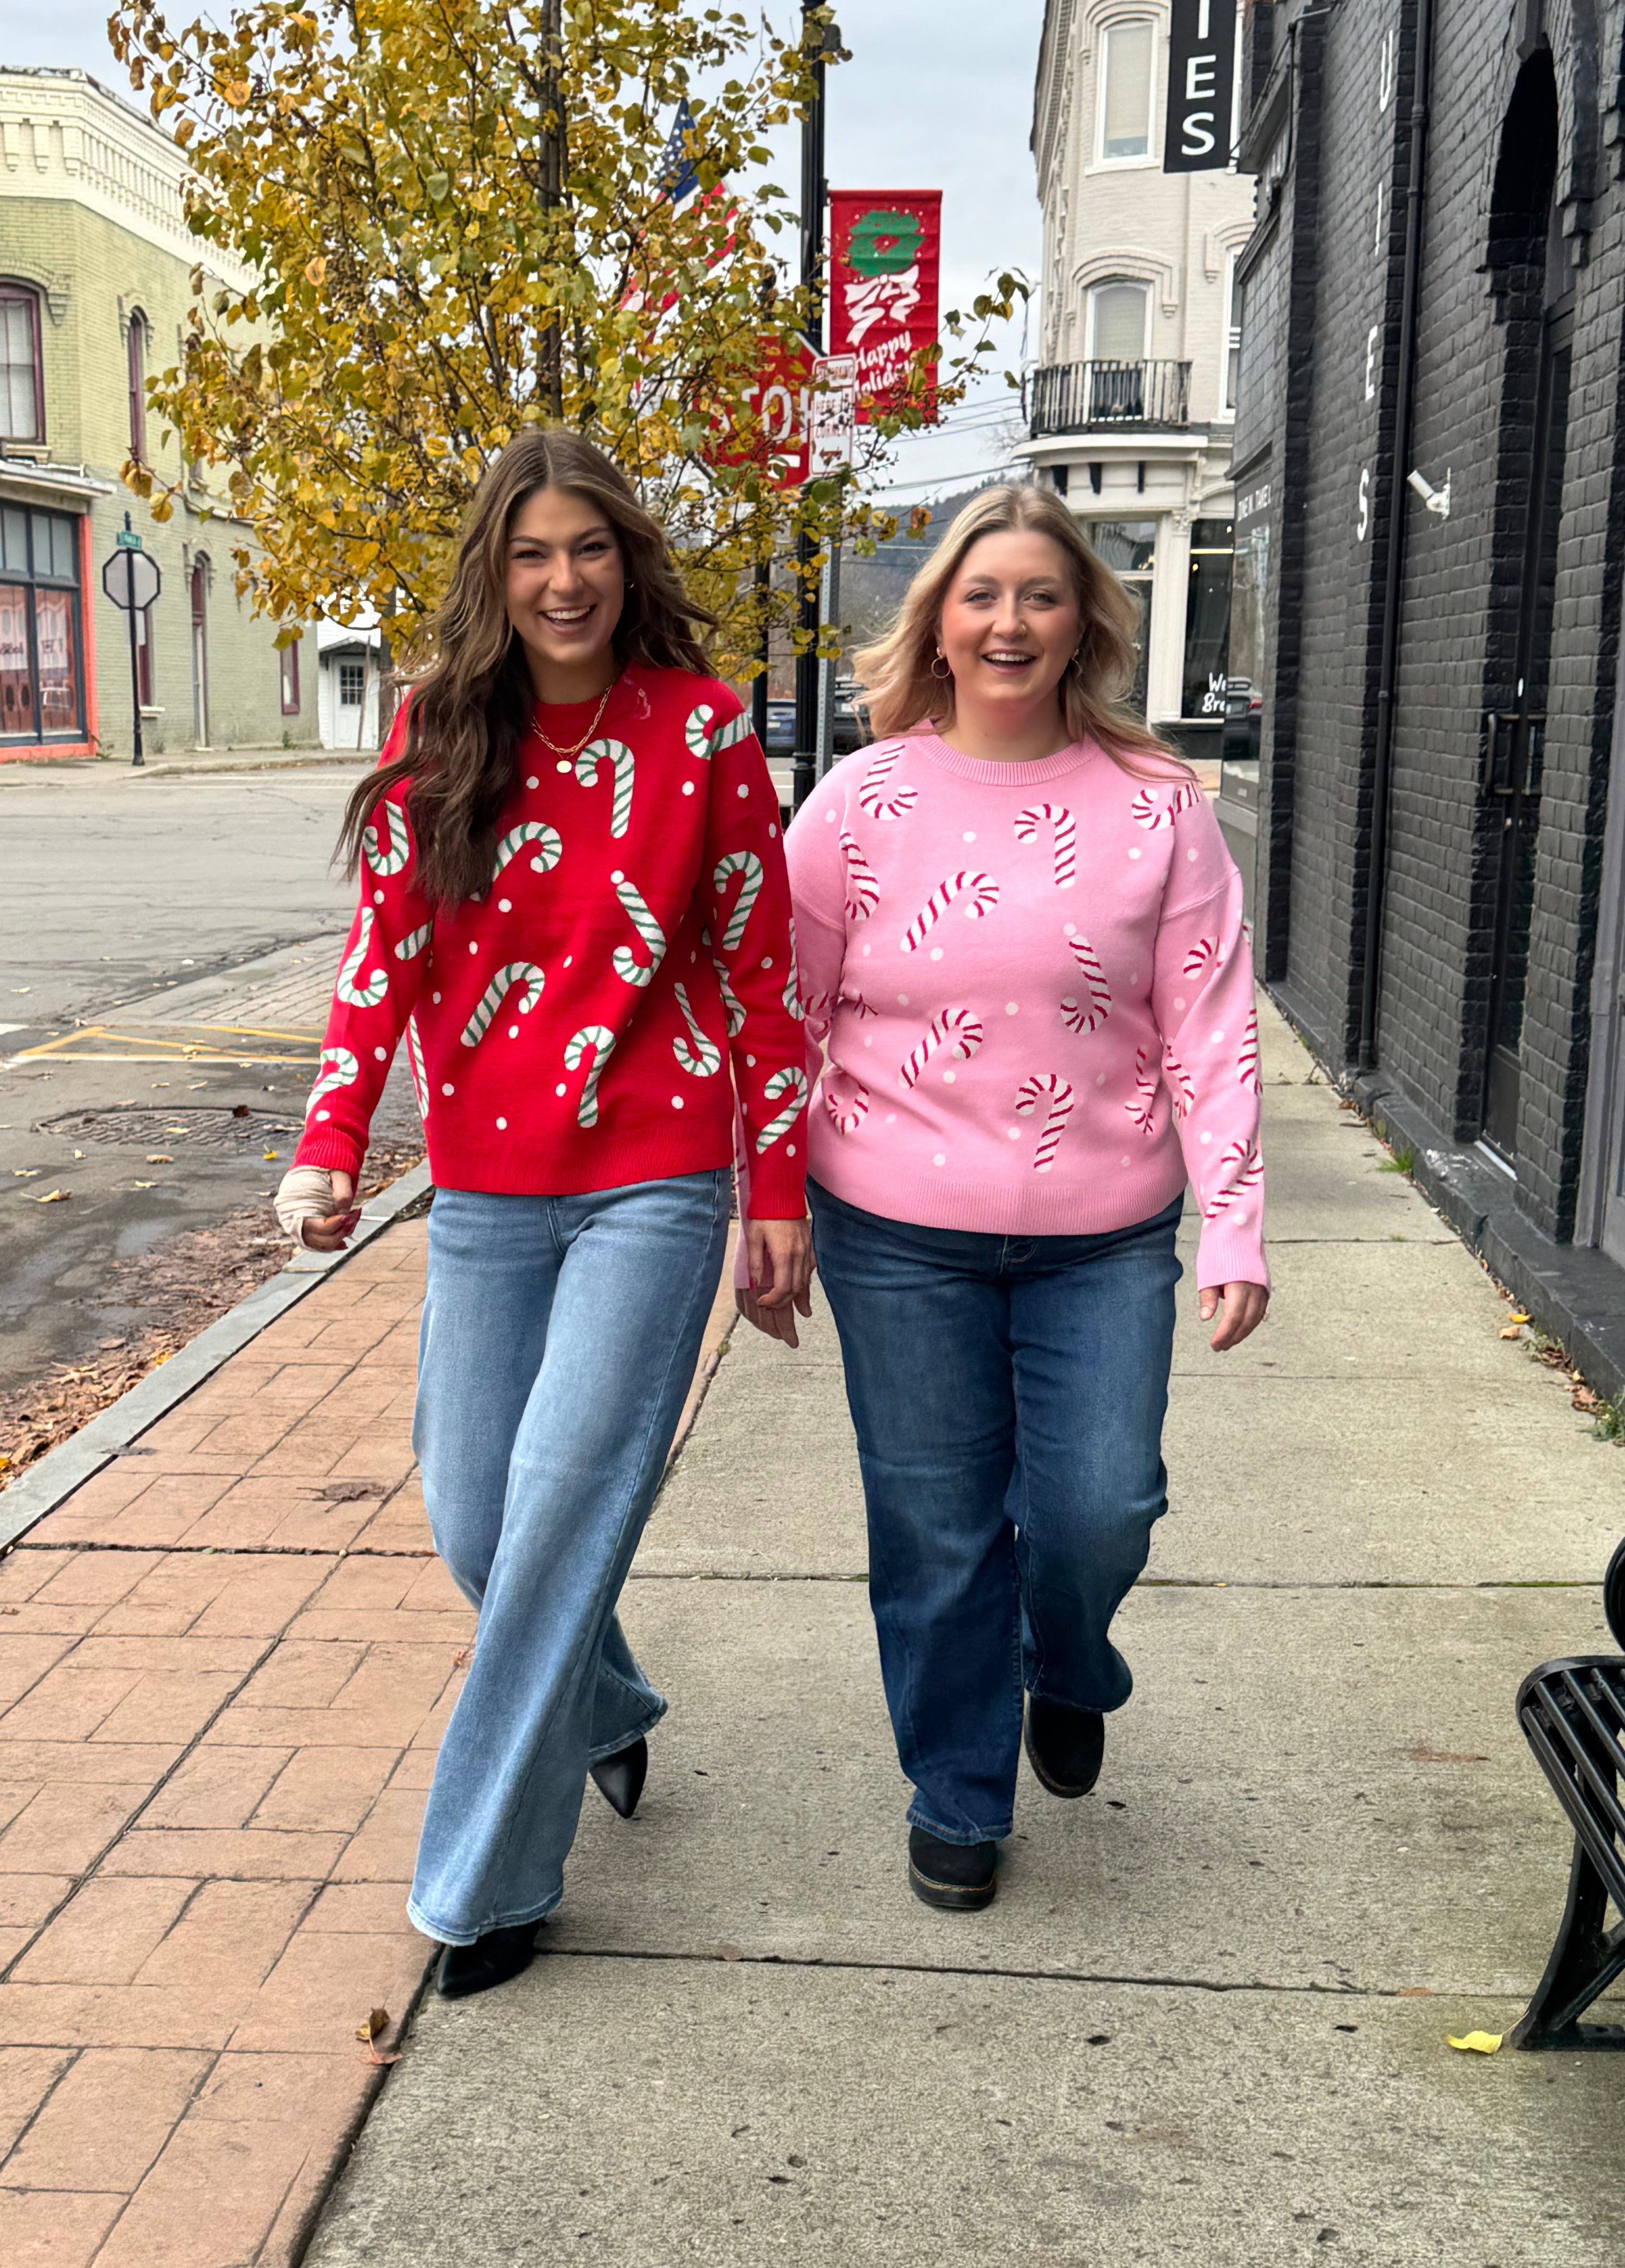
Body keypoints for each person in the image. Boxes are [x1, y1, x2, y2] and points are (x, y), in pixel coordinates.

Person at [276, 430, 811, 1997]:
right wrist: (331, 1144)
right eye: (531, 555)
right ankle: (612, 1702)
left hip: (651, 1179)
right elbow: (388, 957)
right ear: (493, 575)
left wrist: (769, 1187)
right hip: (487, 1188)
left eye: (587, 550)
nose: (563, 581)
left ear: (627, 561)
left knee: (565, 1505)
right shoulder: (446, 727)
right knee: (473, 1517)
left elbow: (754, 972)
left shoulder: (702, 732)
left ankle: (489, 1886)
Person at [741, 483, 1268, 1913]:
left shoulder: (1159, 807)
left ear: (1084, 620)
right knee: (936, 1528)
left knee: (1101, 1507)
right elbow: (781, 1010)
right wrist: (766, 1199)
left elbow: (1209, 1025)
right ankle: (959, 1790)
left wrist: (1234, 1220)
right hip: (896, 1228)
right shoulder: (864, 802)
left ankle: (1070, 1659)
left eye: (1041, 595)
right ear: (941, 623)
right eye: (982, 596)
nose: (1011, 621)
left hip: (1102, 1235)